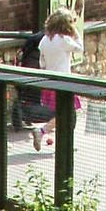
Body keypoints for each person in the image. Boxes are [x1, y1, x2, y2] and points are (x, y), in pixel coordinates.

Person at [34, 10, 83, 152]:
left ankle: (59, 140)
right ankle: (45, 132)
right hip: (64, 82)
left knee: (62, 113)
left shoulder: (44, 40)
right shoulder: (64, 40)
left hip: (50, 82)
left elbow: (42, 63)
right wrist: (76, 32)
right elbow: (80, 48)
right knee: (69, 114)